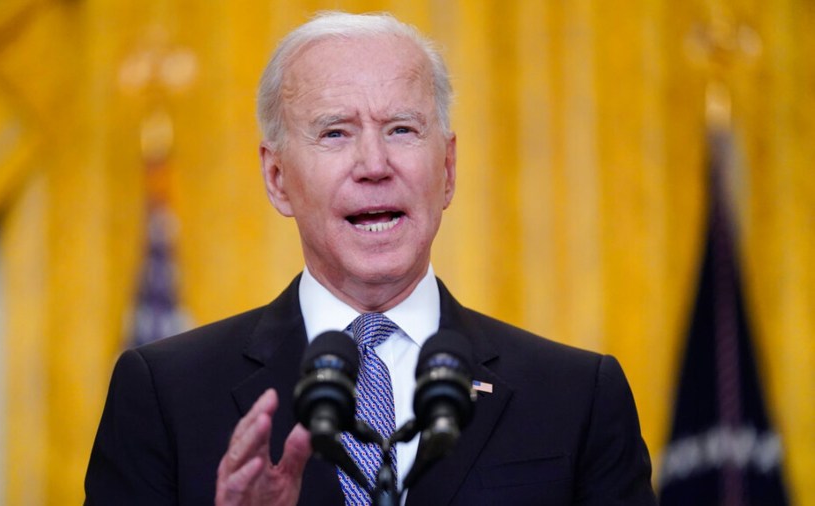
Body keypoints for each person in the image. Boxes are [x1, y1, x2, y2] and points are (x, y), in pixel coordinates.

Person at [85, 11, 656, 506]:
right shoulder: (165, 395)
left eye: (402, 129)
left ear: (448, 169)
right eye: (335, 133)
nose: (374, 163)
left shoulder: (576, 397)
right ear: (277, 177)